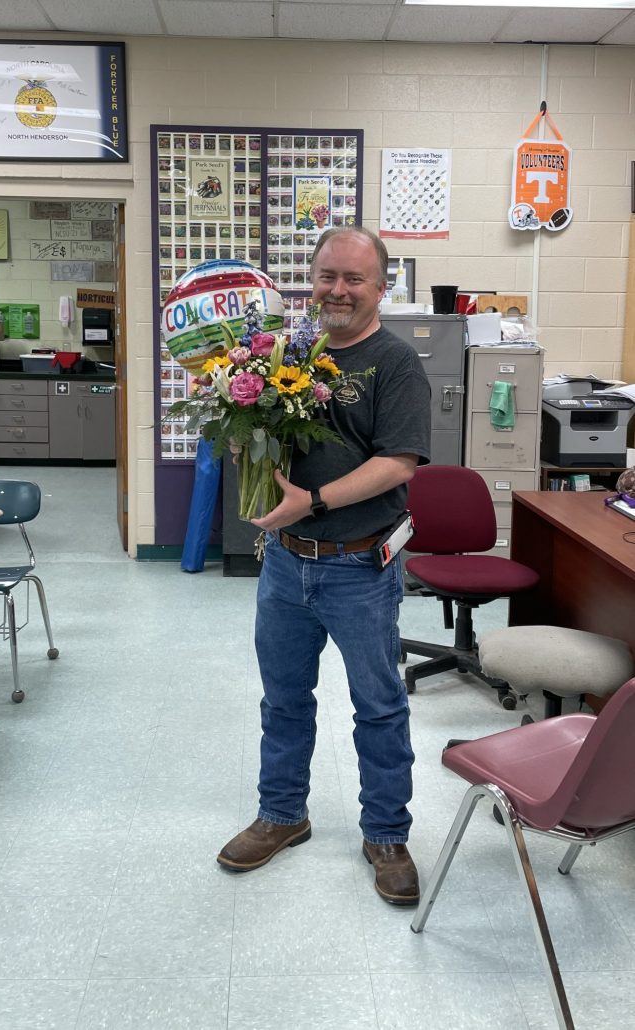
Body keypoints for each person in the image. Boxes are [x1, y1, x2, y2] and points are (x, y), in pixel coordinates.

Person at [217, 227, 431, 905]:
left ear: (380, 287)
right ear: (310, 279)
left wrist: (309, 502)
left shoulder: (395, 364)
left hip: (359, 569)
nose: (337, 290)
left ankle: (387, 833)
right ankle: (283, 814)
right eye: (326, 276)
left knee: (379, 706)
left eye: (354, 279)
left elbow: (397, 463)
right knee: (283, 700)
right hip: (286, 566)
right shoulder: (287, 352)